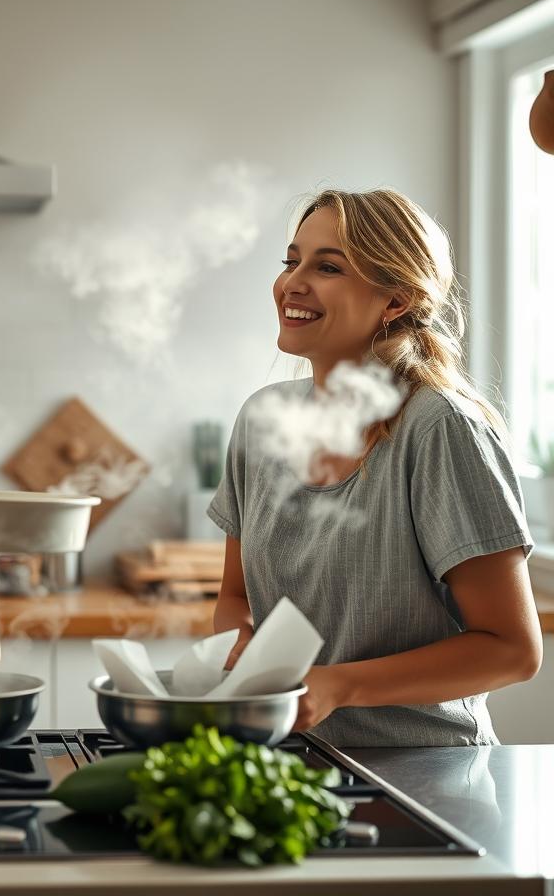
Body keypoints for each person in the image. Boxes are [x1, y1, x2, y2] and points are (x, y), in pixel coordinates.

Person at [210, 189, 542, 747]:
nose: (292, 282)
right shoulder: (261, 419)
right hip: (286, 768)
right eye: (292, 261)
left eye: (328, 267)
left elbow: (511, 649)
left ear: (395, 302)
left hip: (427, 779)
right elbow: (235, 599)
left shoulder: (439, 427)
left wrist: (339, 685)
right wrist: (241, 648)